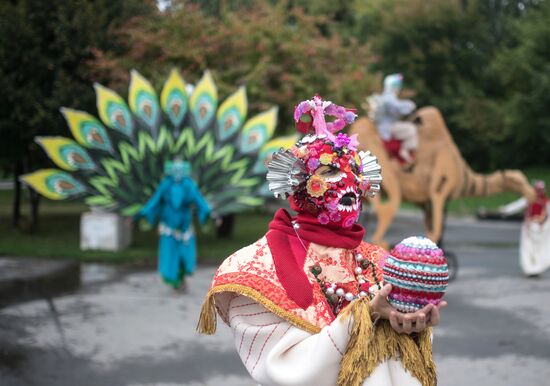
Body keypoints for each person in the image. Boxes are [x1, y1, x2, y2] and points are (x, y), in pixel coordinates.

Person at [198, 96, 446, 386]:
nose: (349, 182)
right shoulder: (254, 267)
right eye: (330, 170)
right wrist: (362, 316)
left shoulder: (379, 261)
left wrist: (409, 324)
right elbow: (284, 368)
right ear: (298, 182)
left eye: (355, 170)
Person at [139, 159, 210, 288]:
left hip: (185, 227)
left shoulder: (189, 185)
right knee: (169, 255)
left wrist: (208, 214)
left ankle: (182, 278)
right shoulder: (166, 185)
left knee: (185, 255)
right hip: (168, 227)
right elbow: (155, 201)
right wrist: (142, 214)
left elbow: (200, 202)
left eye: (180, 170)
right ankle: (174, 281)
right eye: (175, 170)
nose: (178, 174)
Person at [499, 180, 550, 276]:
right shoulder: (529, 199)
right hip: (529, 228)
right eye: (538, 190)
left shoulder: (546, 202)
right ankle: (529, 269)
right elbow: (517, 205)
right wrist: (506, 210)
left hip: (540, 229)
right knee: (527, 249)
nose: (539, 192)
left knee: (538, 249)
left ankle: (537, 268)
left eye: (540, 190)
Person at [368, 73, 417, 167]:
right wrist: (410, 105)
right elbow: (396, 107)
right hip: (387, 128)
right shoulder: (389, 96)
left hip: (385, 127)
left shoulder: (385, 96)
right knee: (411, 129)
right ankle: (405, 151)